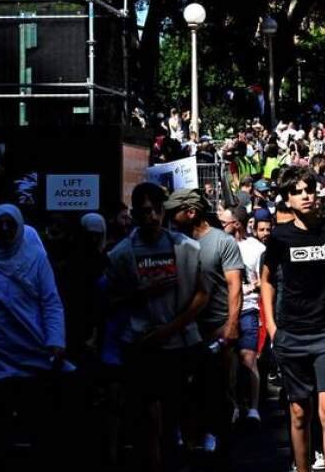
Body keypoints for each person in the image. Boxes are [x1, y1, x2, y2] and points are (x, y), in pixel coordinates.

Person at [105, 184, 208, 472]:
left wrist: (173, 327)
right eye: (144, 211)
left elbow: (202, 295)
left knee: (177, 413)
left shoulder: (186, 248)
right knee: (149, 417)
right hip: (142, 345)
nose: (150, 216)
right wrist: (140, 294)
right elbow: (111, 299)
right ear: (136, 213)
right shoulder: (121, 254)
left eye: (155, 210)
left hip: (179, 344)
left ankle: (181, 456)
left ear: (163, 212)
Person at [262, 168, 325, 472]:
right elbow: (267, 280)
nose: (306, 195)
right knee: (299, 412)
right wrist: (272, 327)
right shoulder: (279, 236)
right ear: (288, 199)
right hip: (290, 333)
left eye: (309, 189)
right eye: (298, 191)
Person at [0, 204, 74, 464]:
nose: (5, 230)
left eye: (10, 224)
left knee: (37, 420)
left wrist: (55, 341)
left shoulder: (36, 260)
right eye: (0, 225)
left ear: (19, 227)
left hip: (31, 350)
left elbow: (51, 302)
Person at [165, 188, 244, 455]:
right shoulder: (174, 242)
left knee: (217, 387)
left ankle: (215, 437)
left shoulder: (222, 242)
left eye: (174, 212)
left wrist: (231, 326)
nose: (169, 218)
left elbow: (235, 286)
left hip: (216, 326)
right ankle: (189, 438)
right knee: (187, 387)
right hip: (185, 327)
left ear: (191, 212)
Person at [221, 206, 265, 424]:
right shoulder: (220, 245)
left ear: (236, 224)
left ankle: (254, 408)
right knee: (229, 361)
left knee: (248, 358)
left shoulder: (256, 248)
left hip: (248, 308)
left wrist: (249, 288)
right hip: (225, 310)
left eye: (224, 222)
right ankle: (234, 405)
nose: (221, 226)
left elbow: (264, 280)